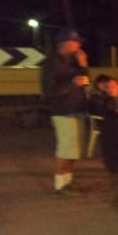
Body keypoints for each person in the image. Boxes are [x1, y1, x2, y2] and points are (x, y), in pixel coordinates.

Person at [40, 29, 89, 196]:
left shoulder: (74, 62)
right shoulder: (51, 63)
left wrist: (83, 66)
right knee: (65, 149)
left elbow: (85, 82)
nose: (79, 45)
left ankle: (68, 180)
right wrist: (72, 85)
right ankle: (59, 184)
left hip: (78, 109)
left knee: (75, 150)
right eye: (76, 42)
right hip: (62, 111)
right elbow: (48, 92)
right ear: (66, 43)